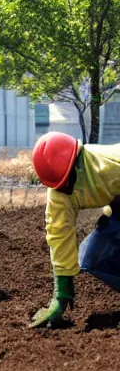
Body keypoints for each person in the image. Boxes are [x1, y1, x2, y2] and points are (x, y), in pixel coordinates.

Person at [30, 131, 120, 328]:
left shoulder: (112, 164)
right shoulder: (59, 193)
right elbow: (59, 234)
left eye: (68, 180)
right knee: (92, 258)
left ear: (78, 162)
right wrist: (61, 296)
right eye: (60, 186)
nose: (66, 189)